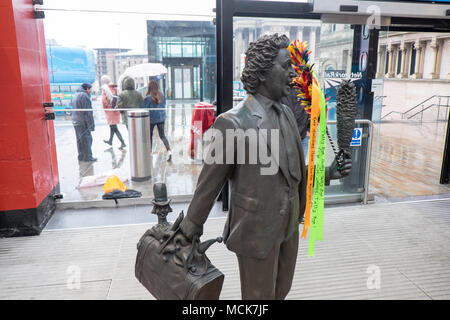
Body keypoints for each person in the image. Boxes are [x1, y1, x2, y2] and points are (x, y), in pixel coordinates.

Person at [176, 34, 352, 300]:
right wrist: (189, 228)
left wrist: (327, 173)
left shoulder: (287, 115)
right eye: (285, 66)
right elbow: (208, 185)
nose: (293, 73)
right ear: (262, 72)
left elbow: (292, 169)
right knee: (259, 297)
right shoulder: (232, 123)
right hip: (256, 231)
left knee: (281, 291)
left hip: (288, 225)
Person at [142, 79, 172, 161]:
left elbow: (144, 108)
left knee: (150, 136)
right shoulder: (162, 95)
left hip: (151, 119)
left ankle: (149, 153)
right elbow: (164, 104)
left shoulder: (148, 98)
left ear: (149, 88)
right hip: (161, 118)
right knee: (162, 136)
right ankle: (169, 151)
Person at [280, 88, 310, 163]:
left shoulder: (305, 86)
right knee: (286, 165)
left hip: (303, 135)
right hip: (285, 135)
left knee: (301, 164)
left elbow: (315, 107)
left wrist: (309, 129)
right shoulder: (281, 88)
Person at [71, 83, 97, 162]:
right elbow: (88, 112)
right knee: (87, 140)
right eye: (90, 89)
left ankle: (81, 156)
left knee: (80, 140)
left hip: (76, 121)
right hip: (83, 122)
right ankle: (88, 157)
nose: (91, 91)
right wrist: (91, 125)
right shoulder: (84, 96)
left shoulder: (76, 94)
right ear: (87, 89)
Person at [101, 75, 126, 150]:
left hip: (110, 111)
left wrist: (105, 108)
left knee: (114, 128)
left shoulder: (105, 89)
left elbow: (104, 101)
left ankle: (123, 142)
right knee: (112, 126)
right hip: (116, 110)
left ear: (104, 82)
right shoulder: (115, 88)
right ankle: (110, 141)